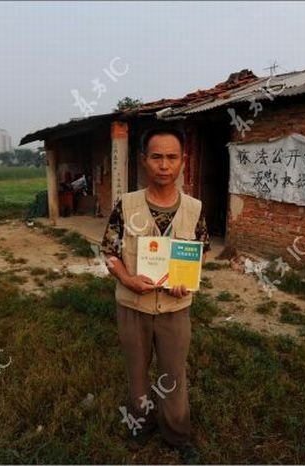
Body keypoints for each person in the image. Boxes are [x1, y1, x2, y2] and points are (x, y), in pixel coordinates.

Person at [100, 125, 210, 463]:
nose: (165, 165)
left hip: (176, 307)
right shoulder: (127, 204)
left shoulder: (194, 208)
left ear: (182, 161)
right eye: (157, 157)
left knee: (173, 374)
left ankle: (177, 433)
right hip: (133, 304)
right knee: (137, 372)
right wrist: (127, 279)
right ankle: (140, 425)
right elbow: (109, 251)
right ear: (144, 161)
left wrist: (186, 278)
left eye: (172, 157)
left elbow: (201, 250)